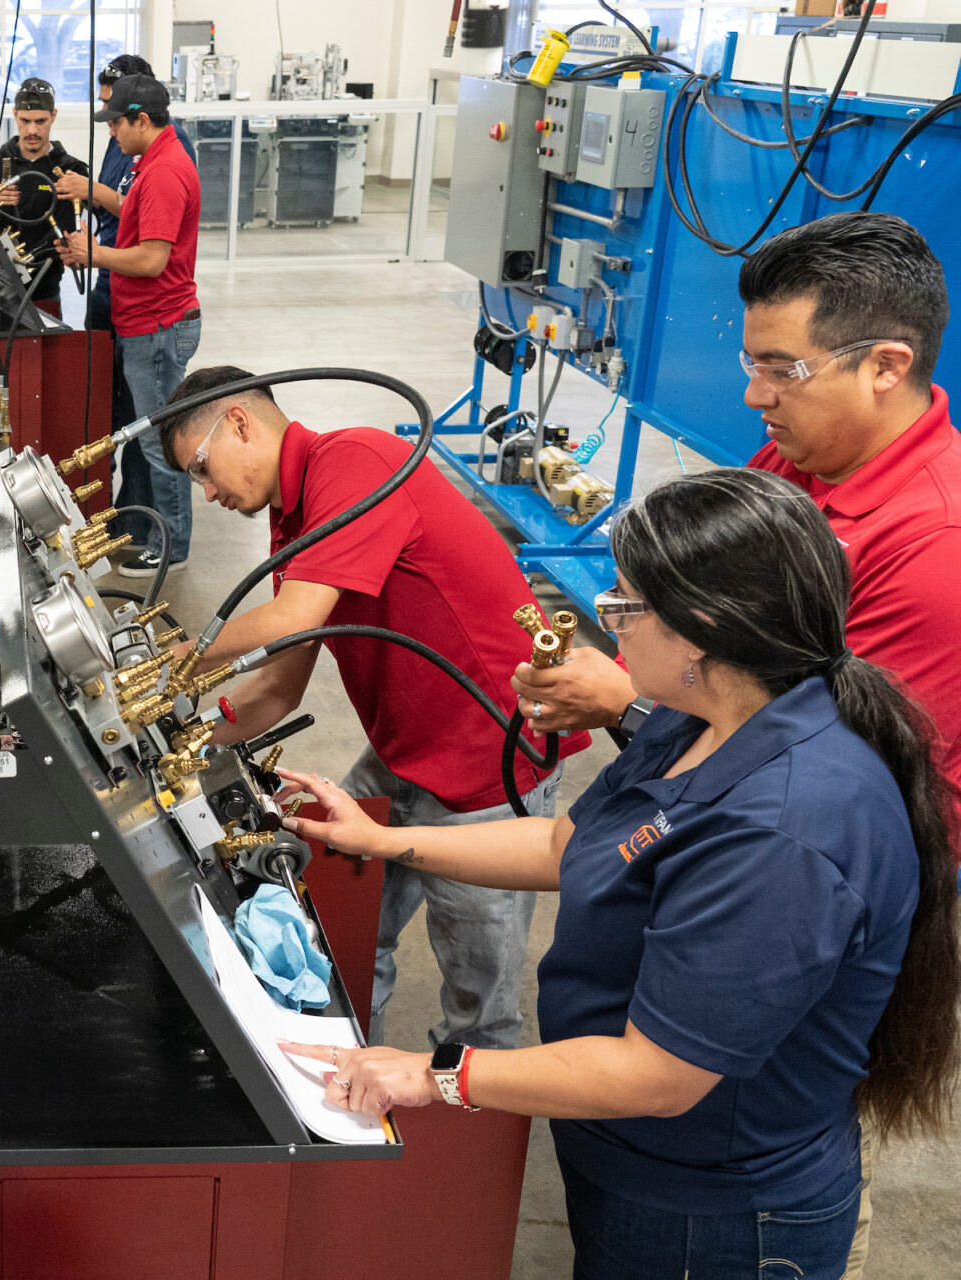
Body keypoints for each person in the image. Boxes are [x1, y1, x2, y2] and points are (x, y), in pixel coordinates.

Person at [280, 468, 959, 1280]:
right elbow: (570, 846)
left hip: (717, 1216)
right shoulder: (701, 719)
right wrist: (386, 842)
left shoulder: (784, 831)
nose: (610, 629)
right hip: (633, 1162)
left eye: (628, 608)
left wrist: (439, 1076)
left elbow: (658, 1074)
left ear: (705, 628)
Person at [158, 365, 591, 1052]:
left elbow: (294, 615)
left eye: (204, 470)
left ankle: (466, 1147)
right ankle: (354, 1105)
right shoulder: (293, 520)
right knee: (342, 932)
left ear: (239, 422)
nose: (207, 495)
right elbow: (279, 686)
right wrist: (181, 746)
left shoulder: (354, 462)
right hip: (404, 752)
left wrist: (167, 662)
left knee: (479, 1005)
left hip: (487, 764)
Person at [512, 213, 961, 810]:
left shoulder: (935, 547)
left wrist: (629, 702)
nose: (755, 395)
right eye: (753, 364)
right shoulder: (792, 459)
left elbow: (842, 771)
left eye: (784, 370)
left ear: (886, 366)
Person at [57, 72, 200, 579]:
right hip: (145, 322)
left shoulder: (163, 171)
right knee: (151, 437)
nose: (112, 133)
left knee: (160, 443)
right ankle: (169, 535)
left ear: (142, 119)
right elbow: (133, 212)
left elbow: (152, 260)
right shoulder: (152, 161)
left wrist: (93, 254)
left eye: (116, 123)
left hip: (157, 325)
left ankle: (174, 547)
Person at [0, 77, 91, 306]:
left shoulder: (71, 170)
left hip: (45, 288)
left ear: (53, 116)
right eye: (25, 120)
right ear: (14, 114)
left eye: (41, 121)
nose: (32, 130)